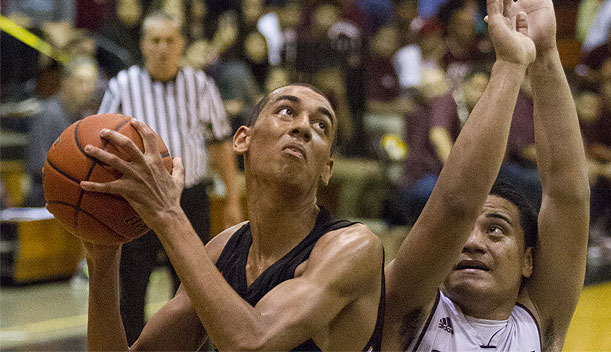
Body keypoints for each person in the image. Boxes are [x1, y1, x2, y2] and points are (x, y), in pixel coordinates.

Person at [80, 82, 385, 351]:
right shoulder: (222, 251)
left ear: (327, 170)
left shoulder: (353, 247)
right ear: (242, 140)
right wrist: (103, 260)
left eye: (321, 126)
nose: (303, 127)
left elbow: (252, 341)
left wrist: (167, 213)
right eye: (286, 112)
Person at [383, 0, 589, 351]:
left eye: (494, 229)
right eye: (463, 233)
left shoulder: (539, 324)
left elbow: (568, 194)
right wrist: (510, 64)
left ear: (530, 262)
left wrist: (544, 53)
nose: (471, 242)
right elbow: (455, 206)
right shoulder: (408, 313)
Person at [96, 11, 244, 344]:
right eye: (155, 40)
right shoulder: (122, 85)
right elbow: (100, 142)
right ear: (143, 45)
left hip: (190, 196)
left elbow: (221, 144)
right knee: (132, 286)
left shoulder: (200, 84)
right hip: (137, 200)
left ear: (181, 45)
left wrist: (233, 199)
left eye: (170, 40)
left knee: (196, 285)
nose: (163, 47)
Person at [24, 56, 99, 207]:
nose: (87, 88)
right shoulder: (48, 114)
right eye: (80, 81)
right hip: (45, 201)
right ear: (65, 82)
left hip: (75, 197)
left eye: (91, 82)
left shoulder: (86, 118)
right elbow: (39, 165)